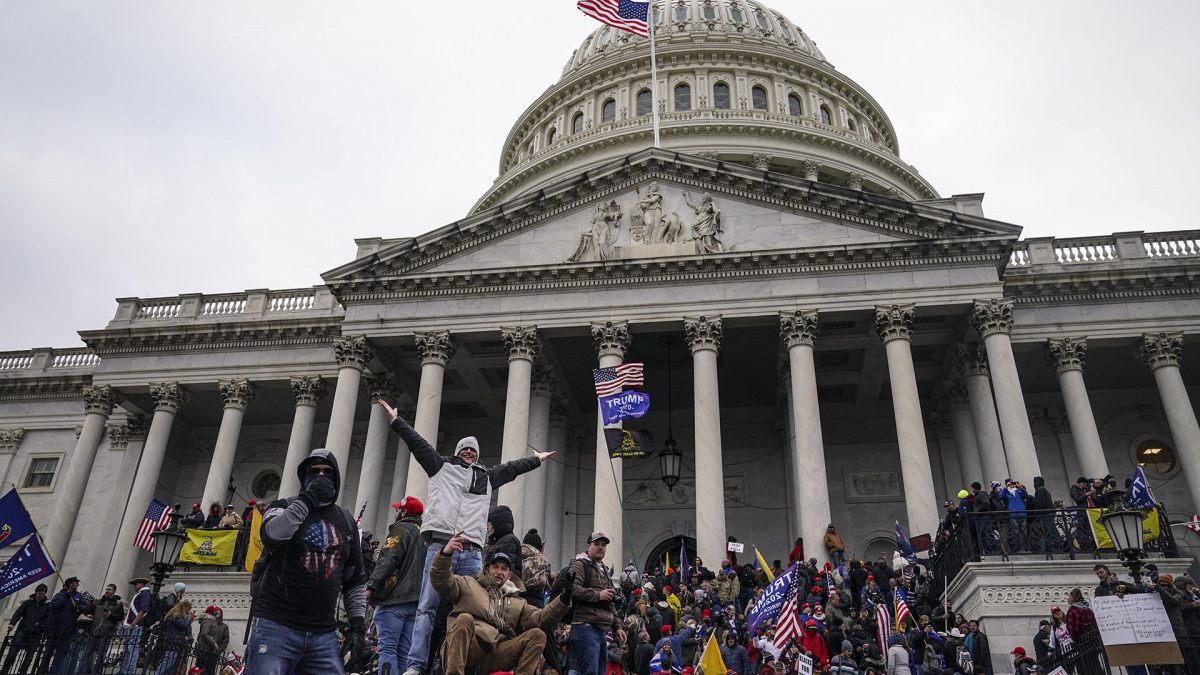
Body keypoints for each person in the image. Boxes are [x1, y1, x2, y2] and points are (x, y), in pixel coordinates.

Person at [380, 400, 552, 675]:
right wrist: (396, 421)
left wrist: (535, 460)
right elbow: (418, 444)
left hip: (471, 551)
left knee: (474, 610)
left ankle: (462, 662)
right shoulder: (440, 467)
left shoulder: (486, 477)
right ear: (458, 452)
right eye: (465, 449)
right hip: (441, 546)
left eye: (473, 450)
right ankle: (415, 665)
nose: (470, 453)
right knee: (427, 607)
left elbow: (510, 469)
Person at [245, 447, 369, 674]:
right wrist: (308, 499)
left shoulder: (346, 521)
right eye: (315, 471)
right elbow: (273, 535)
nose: (321, 476)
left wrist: (357, 627)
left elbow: (354, 580)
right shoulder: (281, 507)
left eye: (327, 472)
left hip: (323, 633)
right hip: (276, 626)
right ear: (304, 476)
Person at [434, 531, 568, 675]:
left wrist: (563, 600)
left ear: (509, 575)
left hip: (497, 653)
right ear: (487, 569)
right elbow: (441, 581)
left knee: (538, 635)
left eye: (504, 569)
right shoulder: (469, 584)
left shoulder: (518, 601)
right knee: (464, 618)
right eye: (495, 567)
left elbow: (541, 619)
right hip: (469, 648)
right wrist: (445, 554)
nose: (499, 571)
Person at [369, 496, 426, 675]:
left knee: (387, 649)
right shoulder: (425, 534)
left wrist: (371, 585)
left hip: (393, 599)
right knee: (404, 653)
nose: (397, 513)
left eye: (398, 510)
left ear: (403, 512)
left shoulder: (400, 529)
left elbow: (388, 559)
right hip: (416, 601)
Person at [570, 532, 628, 675]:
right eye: (596, 544)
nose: (601, 547)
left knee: (600, 672)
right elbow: (572, 589)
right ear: (588, 547)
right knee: (590, 672)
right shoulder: (579, 565)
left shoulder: (604, 570)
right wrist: (598, 595)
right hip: (585, 626)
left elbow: (610, 603)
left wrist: (618, 627)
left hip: (601, 629)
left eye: (603, 545)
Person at [40, 575, 84, 673]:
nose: (77, 584)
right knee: (47, 655)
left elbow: (84, 607)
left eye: (77, 583)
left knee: (60, 657)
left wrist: (79, 607)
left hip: (67, 632)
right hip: (54, 631)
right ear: (70, 584)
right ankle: (42, 671)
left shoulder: (78, 596)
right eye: (75, 583)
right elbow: (53, 607)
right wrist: (65, 597)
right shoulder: (60, 595)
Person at [3, 582, 49, 674]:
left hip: (36, 634)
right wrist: (12, 624)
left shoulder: (48, 605)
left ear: (45, 593)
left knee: (29, 657)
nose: (40, 592)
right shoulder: (28, 603)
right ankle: (5, 670)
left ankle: (22, 672)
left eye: (42, 591)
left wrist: (40, 625)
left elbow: (48, 619)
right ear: (35, 592)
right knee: (12, 652)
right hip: (23, 631)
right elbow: (18, 613)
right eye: (39, 591)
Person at [85, 583, 124, 673]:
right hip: (94, 631)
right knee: (89, 653)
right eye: (106, 589)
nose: (107, 591)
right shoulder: (98, 601)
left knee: (101, 654)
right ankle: (87, 671)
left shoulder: (118, 603)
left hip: (106, 633)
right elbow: (91, 611)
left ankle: (97, 672)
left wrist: (111, 615)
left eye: (109, 589)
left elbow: (120, 617)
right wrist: (90, 614)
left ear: (114, 591)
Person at [119, 577, 151, 675]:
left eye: (135, 584)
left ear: (141, 584)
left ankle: (129, 671)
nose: (134, 586)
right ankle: (123, 670)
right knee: (126, 649)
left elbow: (144, 609)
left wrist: (135, 622)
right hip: (130, 625)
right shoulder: (139, 594)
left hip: (135, 626)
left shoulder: (145, 594)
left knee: (132, 649)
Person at [154, 600, 194, 675]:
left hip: (176, 642)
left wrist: (189, 620)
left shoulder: (179, 616)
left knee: (171, 662)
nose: (188, 611)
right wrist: (189, 619)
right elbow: (183, 626)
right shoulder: (176, 615)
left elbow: (185, 628)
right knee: (168, 661)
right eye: (188, 609)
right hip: (173, 641)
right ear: (184, 607)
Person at [196, 605, 230, 675]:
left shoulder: (224, 626)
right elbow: (201, 635)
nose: (217, 614)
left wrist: (219, 649)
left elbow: (225, 639)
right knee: (201, 670)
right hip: (204, 650)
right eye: (215, 612)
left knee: (210, 671)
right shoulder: (208, 621)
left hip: (214, 652)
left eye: (218, 612)